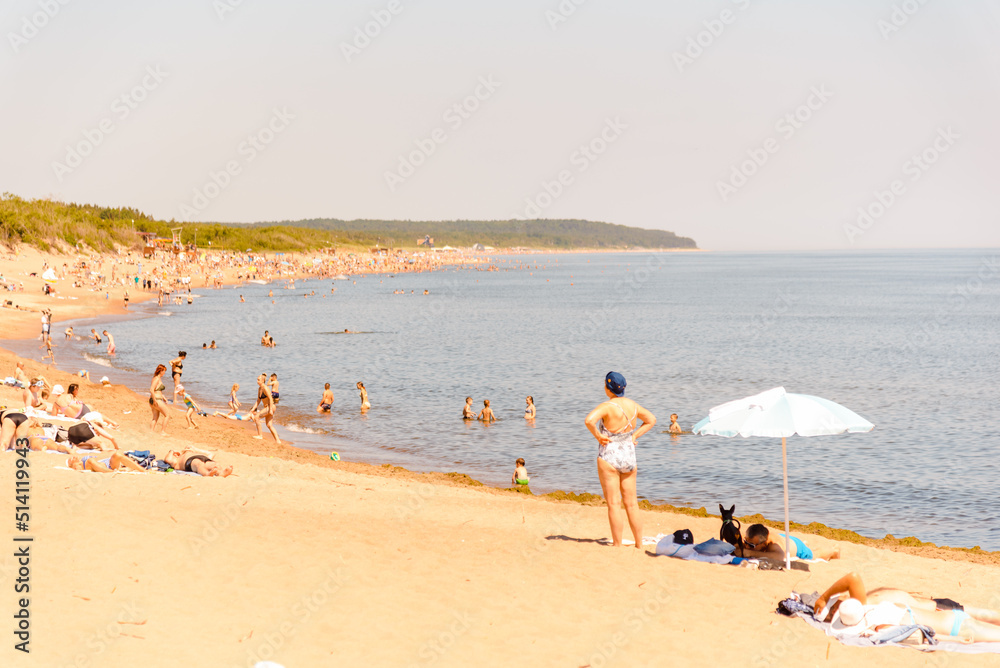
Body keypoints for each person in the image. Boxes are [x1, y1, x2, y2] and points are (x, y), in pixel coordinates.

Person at [812, 572, 1000, 642]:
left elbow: (920, 633)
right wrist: (824, 597)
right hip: (946, 614)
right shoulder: (864, 606)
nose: (843, 599)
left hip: (944, 613)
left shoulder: (868, 613)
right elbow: (852, 578)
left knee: (993, 619)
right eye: (837, 603)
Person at [584, 371, 656, 548]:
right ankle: (639, 544)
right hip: (629, 455)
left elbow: (589, 420)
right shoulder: (633, 405)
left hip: (610, 455)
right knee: (632, 504)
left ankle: (617, 544)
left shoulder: (607, 406)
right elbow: (651, 420)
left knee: (614, 504)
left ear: (609, 388)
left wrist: (599, 436)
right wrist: (634, 435)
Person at [742, 524, 840, 562]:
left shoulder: (774, 546)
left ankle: (834, 550)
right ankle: (806, 544)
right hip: (783, 538)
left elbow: (779, 556)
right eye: (746, 542)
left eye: (751, 545)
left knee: (815, 554)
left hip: (797, 547)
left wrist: (751, 553)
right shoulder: (755, 538)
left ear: (764, 544)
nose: (747, 546)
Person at [250, 373, 281, 444]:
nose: (257, 381)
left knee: (256, 417)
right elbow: (258, 400)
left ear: (262, 380)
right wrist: (253, 408)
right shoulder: (259, 389)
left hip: (270, 407)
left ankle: (260, 435)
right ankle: (278, 441)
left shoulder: (265, 388)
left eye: (258, 380)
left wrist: (270, 410)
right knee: (269, 425)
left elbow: (270, 399)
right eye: (257, 380)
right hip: (267, 407)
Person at [163, 449, 233, 477]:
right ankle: (207, 474)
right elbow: (167, 459)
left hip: (202, 457)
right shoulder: (176, 461)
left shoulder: (188, 451)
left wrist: (194, 448)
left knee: (215, 464)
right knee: (199, 465)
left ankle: (221, 473)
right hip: (189, 462)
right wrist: (171, 451)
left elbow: (212, 454)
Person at [66, 452, 147, 473]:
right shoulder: (76, 465)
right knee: (91, 461)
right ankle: (113, 471)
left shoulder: (83, 459)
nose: (73, 457)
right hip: (107, 468)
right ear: (71, 465)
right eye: (71, 459)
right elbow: (77, 469)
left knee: (117, 454)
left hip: (107, 463)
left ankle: (142, 470)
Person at [149, 364, 170, 434]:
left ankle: (151, 431)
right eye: (164, 371)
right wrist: (155, 400)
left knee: (155, 416)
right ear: (160, 371)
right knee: (167, 415)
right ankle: (163, 432)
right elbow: (151, 389)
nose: (164, 373)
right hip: (156, 399)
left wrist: (163, 397)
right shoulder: (157, 379)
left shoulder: (156, 378)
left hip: (155, 399)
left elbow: (156, 390)